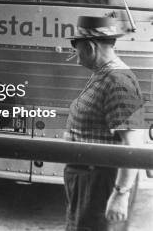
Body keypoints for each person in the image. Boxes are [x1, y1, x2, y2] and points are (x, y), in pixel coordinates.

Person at [64, 16, 145, 230]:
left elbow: (133, 146)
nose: (75, 53)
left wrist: (120, 194)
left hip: (99, 180)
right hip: (89, 177)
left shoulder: (118, 81)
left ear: (90, 47)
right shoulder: (104, 74)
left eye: (76, 46)